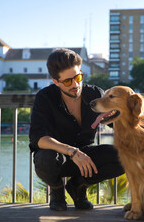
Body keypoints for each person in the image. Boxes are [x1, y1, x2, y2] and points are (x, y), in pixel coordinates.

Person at [29, 48, 124, 211]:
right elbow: (38, 138)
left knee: (123, 157)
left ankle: (78, 187)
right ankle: (57, 191)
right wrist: (72, 152)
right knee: (44, 158)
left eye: (78, 77)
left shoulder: (94, 93)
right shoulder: (44, 97)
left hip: (86, 157)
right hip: (59, 157)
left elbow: (120, 122)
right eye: (67, 81)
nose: (75, 84)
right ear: (56, 81)